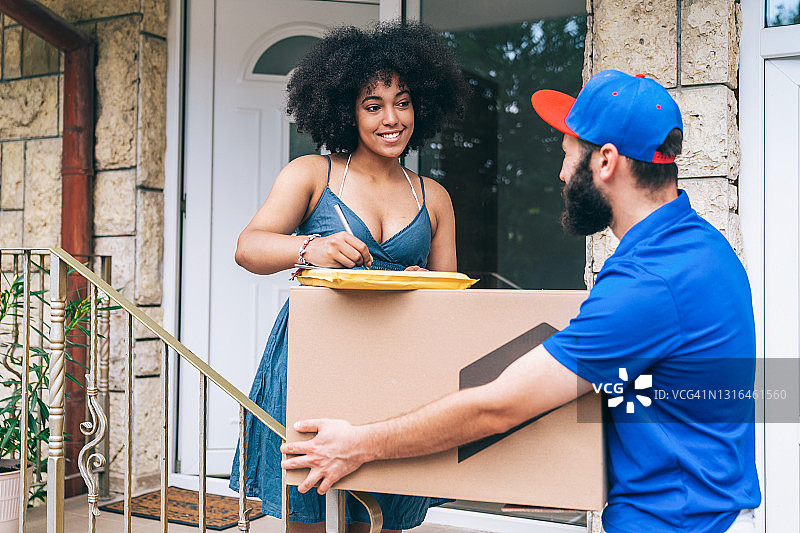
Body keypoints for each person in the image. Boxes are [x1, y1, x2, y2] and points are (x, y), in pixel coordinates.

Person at [281, 70, 762, 533]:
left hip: (675, 521)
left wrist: (357, 444)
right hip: (697, 510)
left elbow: (498, 407)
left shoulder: (650, 281)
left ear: (607, 162)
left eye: (567, 153)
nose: (560, 172)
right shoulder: (699, 247)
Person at [229, 21, 467, 533]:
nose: (391, 119)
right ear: (346, 110)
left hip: (397, 366)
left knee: (377, 515)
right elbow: (248, 248)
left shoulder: (436, 197)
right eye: (372, 104)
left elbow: (451, 303)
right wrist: (311, 247)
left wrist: (419, 281)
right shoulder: (313, 173)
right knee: (312, 512)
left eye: (402, 102)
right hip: (317, 358)